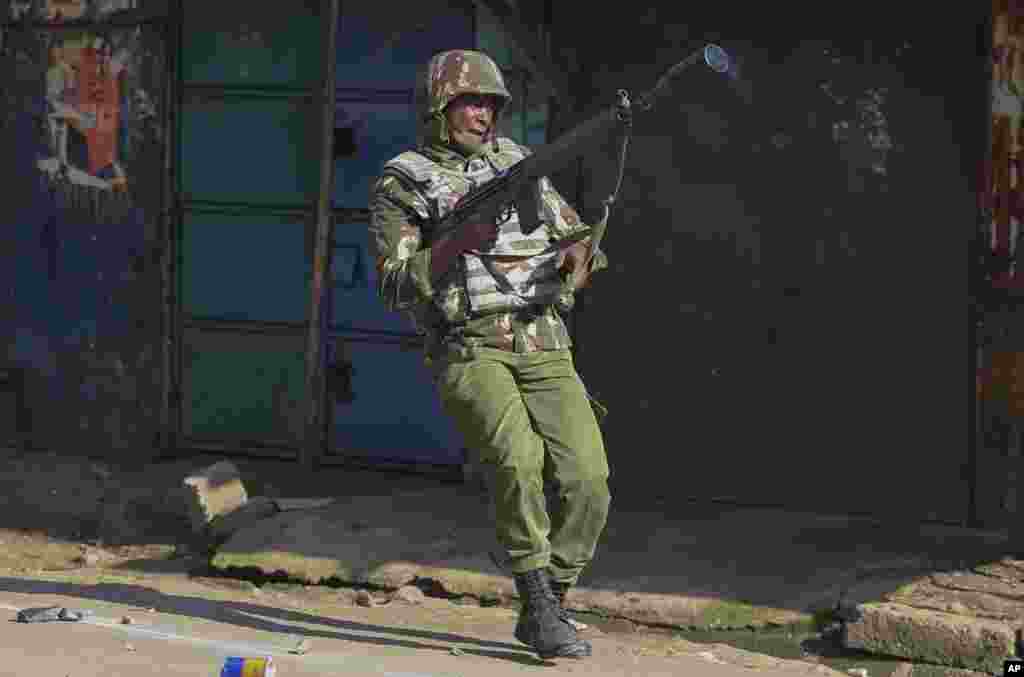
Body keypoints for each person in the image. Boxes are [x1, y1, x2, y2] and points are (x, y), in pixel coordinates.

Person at [368, 50, 610, 660]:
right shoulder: (404, 181)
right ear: (439, 107)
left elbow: (574, 235)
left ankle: (545, 600)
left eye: (490, 104)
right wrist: (452, 245)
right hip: (470, 345)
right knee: (518, 461)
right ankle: (539, 600)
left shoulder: (518, 165)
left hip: (544, 339)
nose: (482, 115)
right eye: (470, 102)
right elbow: (394, 285)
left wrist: (577, 256)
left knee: (590, 480)